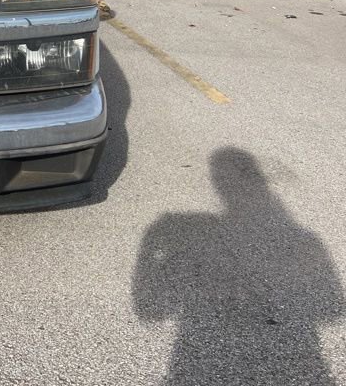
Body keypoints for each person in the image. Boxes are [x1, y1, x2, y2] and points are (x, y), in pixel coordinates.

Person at [133, 147, 344, 384]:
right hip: (309, 356)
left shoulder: (308, 238)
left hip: (193, 342)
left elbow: (332, 313)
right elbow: (332, 313)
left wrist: (150, 303)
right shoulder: (307, 237)